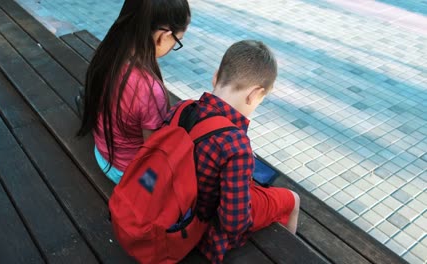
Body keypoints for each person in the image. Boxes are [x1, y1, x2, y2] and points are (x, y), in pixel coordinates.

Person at [165, 40, 300, 263]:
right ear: (255, 94)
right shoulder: (236, 146)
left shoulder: (182, 108)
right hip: (200, 236)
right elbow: (234, 223)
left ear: (216, 76)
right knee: (292, 199)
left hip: (169, 208)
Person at [77, 0, 191, 184]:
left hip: (101, 151)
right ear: (163, 36)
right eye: (177, 41)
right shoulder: (150, 90)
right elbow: (153, 154)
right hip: (124, 172)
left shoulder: (110, 51)